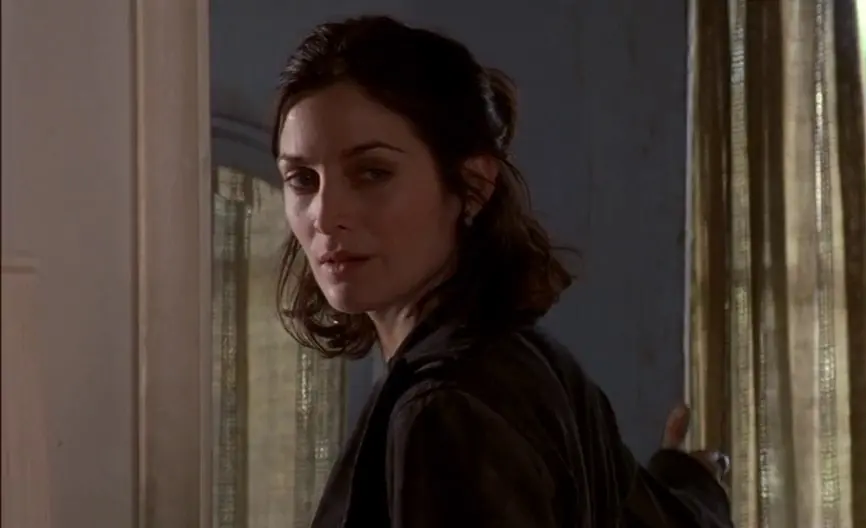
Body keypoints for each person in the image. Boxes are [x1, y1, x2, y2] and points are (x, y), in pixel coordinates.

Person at [271, 15, 733, 528]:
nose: (325, 214)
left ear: (472, 185)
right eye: (302, 179)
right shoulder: (525, 363)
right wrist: (690, 482)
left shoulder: (446, 409)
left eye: (372, 173)